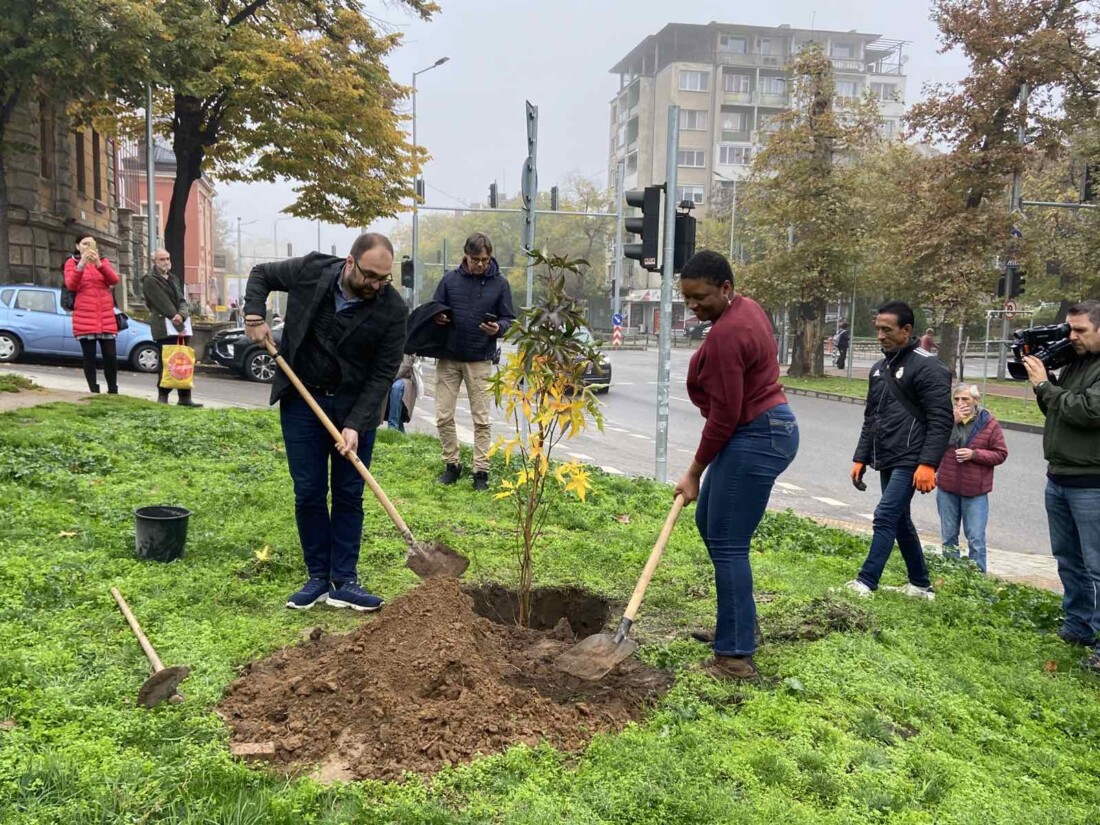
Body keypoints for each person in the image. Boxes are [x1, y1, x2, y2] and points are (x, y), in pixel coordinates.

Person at [243, 233, 407, 612]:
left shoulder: (392, 310)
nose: (376, 285)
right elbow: (261, 274)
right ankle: (318, 577)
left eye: (384, 279)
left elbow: (383, 373)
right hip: (303, 400)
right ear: (350, 263)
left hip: (353, 406)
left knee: (350, 493)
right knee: (309, 492)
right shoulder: (311, 270)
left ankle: (344, 581)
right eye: (370, 276)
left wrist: (356, 423)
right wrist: (255, 314)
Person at [673, 251, 799, 681]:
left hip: (757, 434)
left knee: (727, 541)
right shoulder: (746, 308)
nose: (694, 306)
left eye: (701, 297)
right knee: (711, 524)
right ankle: (739, 624)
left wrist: (694, 471)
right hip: (762, 429)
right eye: (687, 298)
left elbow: (724, 416)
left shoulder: (729, 334)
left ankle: (735, 656)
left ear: (725, 288)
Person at [847, 301, 952, 598]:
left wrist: (928, 464)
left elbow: (941, 420)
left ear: (906, 330)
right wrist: (861, 457)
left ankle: (866, 582)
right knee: (900, 518)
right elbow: (872, 417)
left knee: (885, 515)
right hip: (888, 455)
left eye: (887, 329)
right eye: (877, 329)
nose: (880, 335)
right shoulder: (879, 368)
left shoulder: (929, 366)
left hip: (913, 457)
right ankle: (920, 584)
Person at [1023, 300, 1100, 674]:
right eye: (1070, 329)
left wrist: (1043, 385)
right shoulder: (1076, 364)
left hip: (1092, 482)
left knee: (1098, 565)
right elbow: (1058, 409)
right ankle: (1078, 627)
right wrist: (1047, 386)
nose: (1072, 337)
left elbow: (1087, 412)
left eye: (1081, 330)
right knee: (1069, 560)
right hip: (1060, 476)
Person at [431, 232, 515, 491]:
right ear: (465, 255)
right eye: (476, 259)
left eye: (486, 259)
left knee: (481, 418)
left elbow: (509, 320)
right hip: (449, 356)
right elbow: (434, 309)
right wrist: (438, 318)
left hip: (480, 358)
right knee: (443, 414)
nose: (481, 264)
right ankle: (452, 465)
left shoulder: (500, 284)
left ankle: (481, 471)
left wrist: (498, 329)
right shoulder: (448, 281)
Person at [935, 383, 1008, 573]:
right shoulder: (946, 420)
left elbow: (1000, 454)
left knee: (975, 538)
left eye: (965, 399)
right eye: (957, 399)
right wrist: (952, 422)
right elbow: (933, 446)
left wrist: (974, 454)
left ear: (976, 400)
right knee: (948, 536)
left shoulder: (989, 423)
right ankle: (950, 575)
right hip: (947, 488)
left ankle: (976, 579)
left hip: (975, 491)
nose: (961, 403)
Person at [141, 249, 202, 407]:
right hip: (164, 327)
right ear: (155, 261)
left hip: (179, 325)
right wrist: (179, 323)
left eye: (168, 258)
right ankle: (163, 396)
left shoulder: (173, 278)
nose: (166, 261)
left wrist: (182, 315)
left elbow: (182, 300)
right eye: (162, 259)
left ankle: (185, 397)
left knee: (183, 360)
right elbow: (163, 304)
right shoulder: (149, 280)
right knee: (167, 361)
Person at [64, 236, 120, 394]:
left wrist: (99, 265)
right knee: (89, 356)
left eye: (91, 244)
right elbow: (71, 284)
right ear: (78, 246)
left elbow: (114, 280)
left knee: (110, 355)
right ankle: (94, 390)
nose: (88, 247)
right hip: (85, 317)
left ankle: (113, 389)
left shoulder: (103, 261)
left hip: (105, 316)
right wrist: (81, 264)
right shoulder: (72, 263)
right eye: (84, 244)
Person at [384, 354, 420, 433]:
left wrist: (389, 378)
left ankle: (392, 428)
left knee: (397, 388)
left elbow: (406, 366)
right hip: (387, 376)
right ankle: (399, 430)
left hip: (405, 378)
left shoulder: (406, 344)